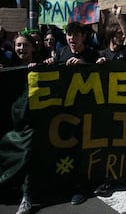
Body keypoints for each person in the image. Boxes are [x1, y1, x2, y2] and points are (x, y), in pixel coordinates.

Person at [44, 21, 104, 205]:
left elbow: (102, 75)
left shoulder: (92, 54)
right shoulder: (62, 52)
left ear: (83, 36)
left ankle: (85, 186)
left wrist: (84, 65)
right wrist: (49, 63)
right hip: (66, 112)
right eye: (69, 35)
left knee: (86, 149)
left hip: (87, 112)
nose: (71, 38)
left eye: (75, 35)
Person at [11, 32, 41, 214]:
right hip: (12, 121)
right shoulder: (8, 66)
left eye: (25, 45)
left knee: (27, 155)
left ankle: (26, 196)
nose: (21, 49)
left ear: (33, 48)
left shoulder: (41, 65)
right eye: (18, 45)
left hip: (32, 120)